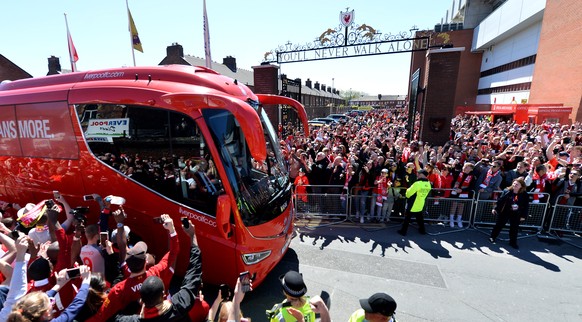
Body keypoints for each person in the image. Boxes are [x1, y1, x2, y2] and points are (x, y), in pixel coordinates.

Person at [112, 218, 202, 321]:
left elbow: (122, 247)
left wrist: (119, 222)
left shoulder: (122, 287)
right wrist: (173, 230)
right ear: (163, 294)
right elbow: (176, 255)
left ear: (141, 301)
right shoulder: (158, 272)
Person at [489, 177, 529, 249]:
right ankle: (492, 237)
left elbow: (526, 206)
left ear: (521, 186)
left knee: (514, 228)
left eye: (517, 184)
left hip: (516, 213)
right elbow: (500, 201)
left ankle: (513, 242)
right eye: (514, 183)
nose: (515, 185)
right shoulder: (506, 191)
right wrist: (495, 209)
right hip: (505, 211)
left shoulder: (524, 194)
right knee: (499, 225)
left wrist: (523, 215)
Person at [397, 169, 432, 236]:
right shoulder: (428, 184)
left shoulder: (417, 183)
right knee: (420, 218)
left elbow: (408, 193)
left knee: (407, 218)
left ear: (421, 174)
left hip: (413, 203)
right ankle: (422, 230)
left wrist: (408, 190)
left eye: (418, 173)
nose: (417, 175)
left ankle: (403, 231)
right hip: (420, 203)